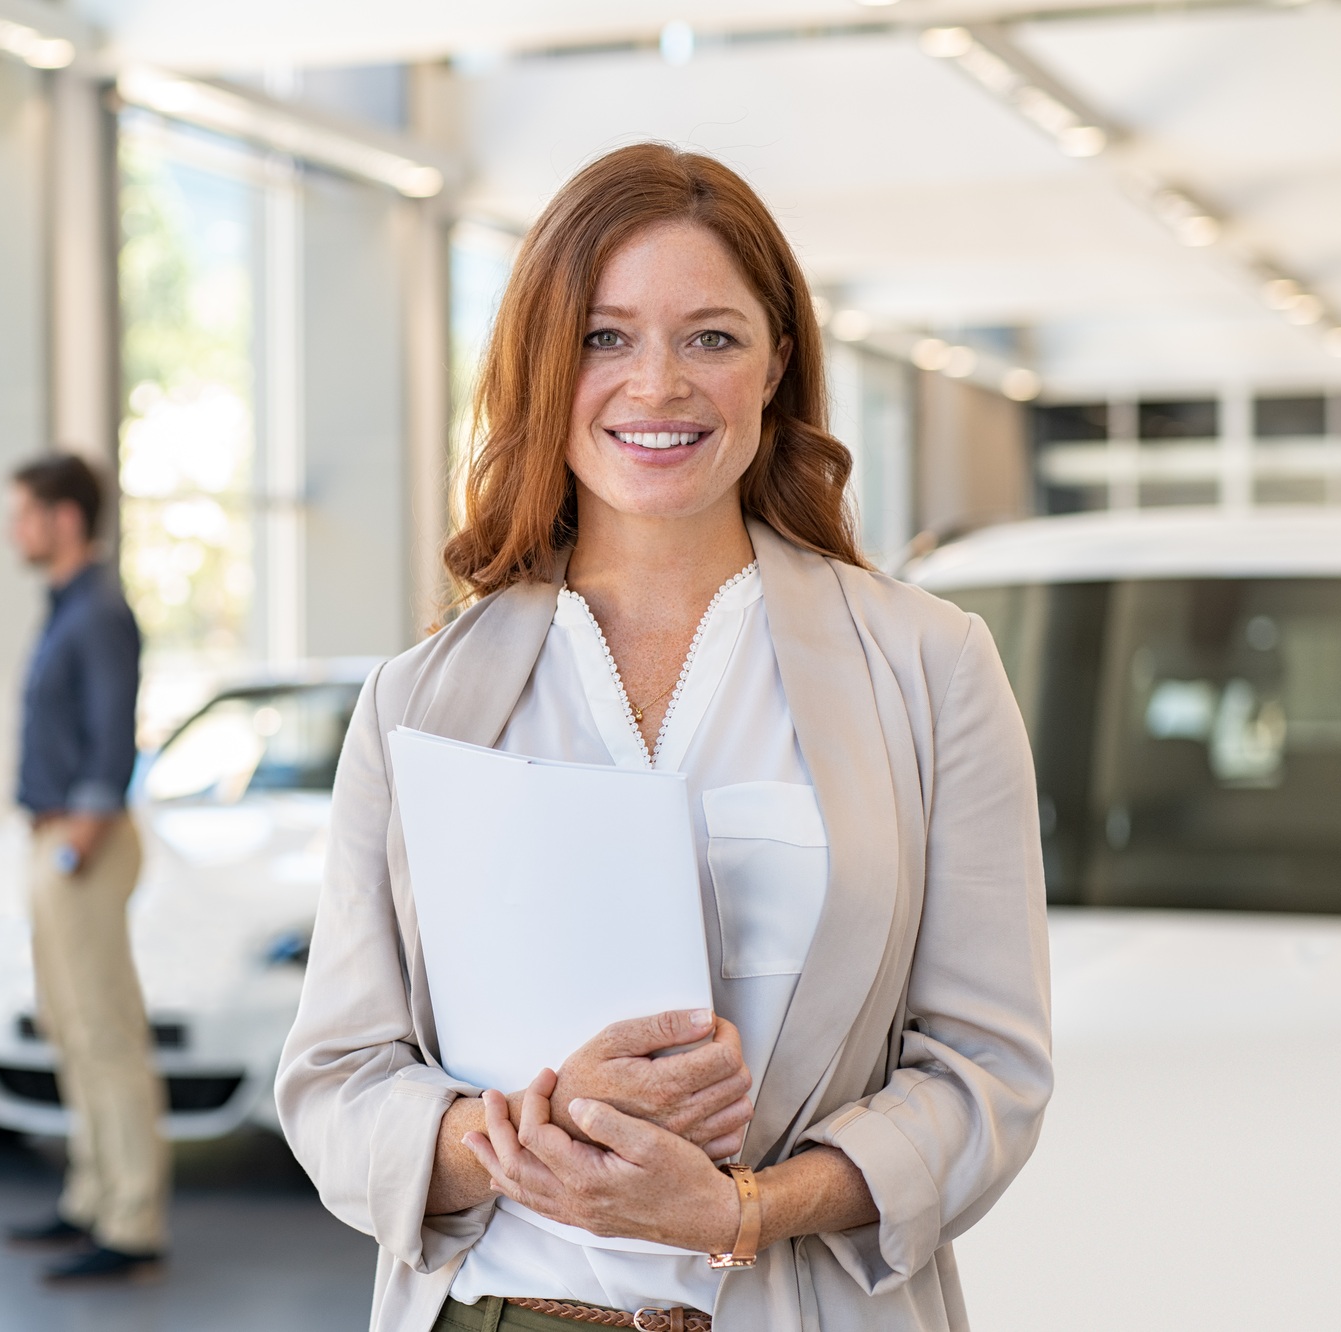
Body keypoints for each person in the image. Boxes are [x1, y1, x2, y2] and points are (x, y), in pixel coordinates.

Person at [276, 144, 1053, 1332]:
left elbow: (984, 1077)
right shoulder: (415, 704)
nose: (657, 386)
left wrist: (741, 1209)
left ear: (774, 363)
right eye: (603, 337)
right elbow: (335, 1086)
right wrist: (517, 1140)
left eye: (710, 336)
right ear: (543, 364)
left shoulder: (928, 667)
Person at [0, 454, 165, 1285]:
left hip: (81, 843)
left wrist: (75, 848)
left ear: (64, 519)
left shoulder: (98, 611)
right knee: (71, 1028)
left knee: (104, 1032)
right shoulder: (68, 605)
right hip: (58, 840)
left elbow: (111, 738)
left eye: (23, 513)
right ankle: (91, 1196)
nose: (11, 529)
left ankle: (132, 1220)